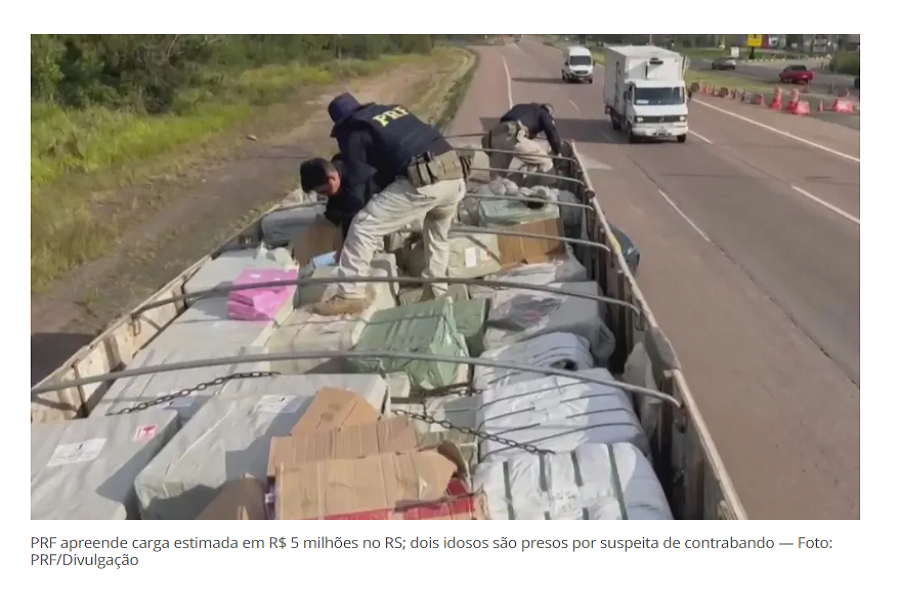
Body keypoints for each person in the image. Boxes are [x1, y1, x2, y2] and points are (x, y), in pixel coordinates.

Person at [304, 92, 468, 316]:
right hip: (455, 173)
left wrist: (345, 223)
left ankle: (350, 294)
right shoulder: (392, 110)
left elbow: (359, 181)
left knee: (363, 226)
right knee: (437, 237)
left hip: (425, 178)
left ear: (340, 123)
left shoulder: (353, 130)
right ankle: (436, 292)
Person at [299, 153, 380, 247]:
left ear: (331, 178)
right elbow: (335, 202)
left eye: (324, 191)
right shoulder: (336, 166)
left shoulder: (355, 186)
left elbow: (354, 219)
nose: (324, 195)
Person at [481, 103, 561, 184]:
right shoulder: (543, 112)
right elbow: (551, 130)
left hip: (496, 135)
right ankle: (526, 187)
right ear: (549, 112)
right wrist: (557, 151)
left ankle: (504, 187)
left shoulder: (523, 109)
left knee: (497, 181)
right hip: (513, 136)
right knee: (545, 161)